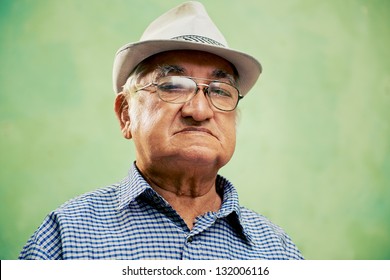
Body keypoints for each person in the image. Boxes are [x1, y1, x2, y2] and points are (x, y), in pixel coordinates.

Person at [19, 1, 303, 260]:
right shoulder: (65, 238)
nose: (200, 111)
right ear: (126, 114)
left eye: (220, 91)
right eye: (173, 85)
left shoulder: (278, 251)